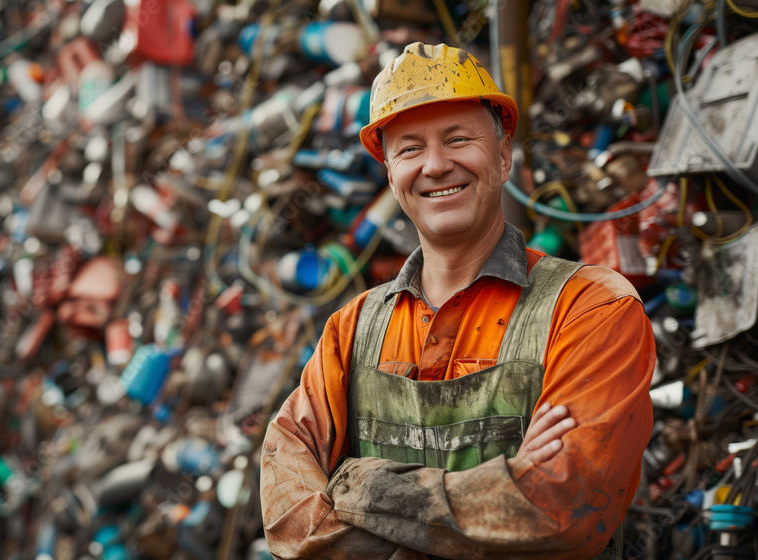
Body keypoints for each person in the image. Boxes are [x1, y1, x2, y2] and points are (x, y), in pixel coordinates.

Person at [259, 43, 655, 560]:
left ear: (504, 155)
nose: (436, 165)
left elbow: (560, 510)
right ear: (390, 175)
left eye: (458, 139)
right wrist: (500, 487)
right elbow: (289, 519)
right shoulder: (351, 329)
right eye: (409, 149)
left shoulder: (592, 309)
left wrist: (358, 483)